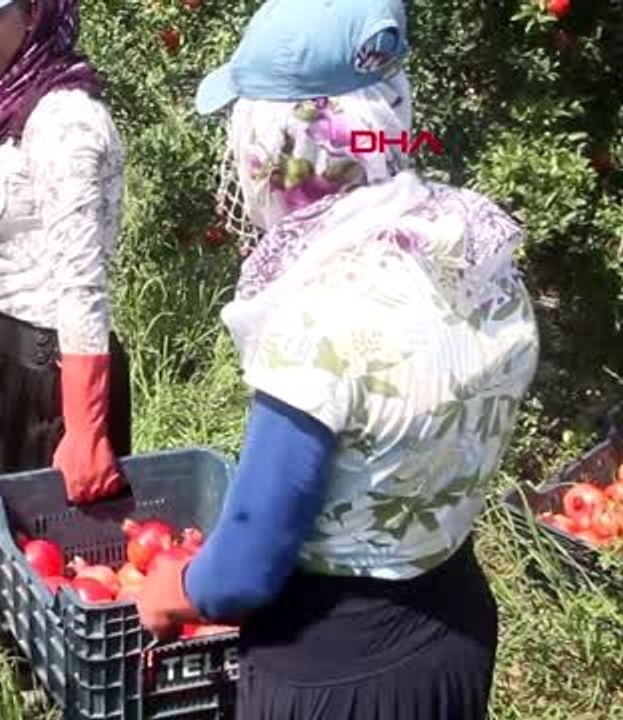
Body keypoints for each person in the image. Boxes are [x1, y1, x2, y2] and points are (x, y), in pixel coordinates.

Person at [134, 1, 540, 718]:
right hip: (453, 626)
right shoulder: (474, 254)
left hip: (335, 668)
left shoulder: (318, 312)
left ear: (280, 143)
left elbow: (246, 568)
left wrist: (175, 588)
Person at [0, 0, 133, 647]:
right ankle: (4, 675)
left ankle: (54, 686)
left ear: (36, 14)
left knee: (57, 575)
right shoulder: (12, 106)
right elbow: (7, 241)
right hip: (2, 354)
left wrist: (86, 429)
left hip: (50, 377)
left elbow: (81, 282)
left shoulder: (67, 122)